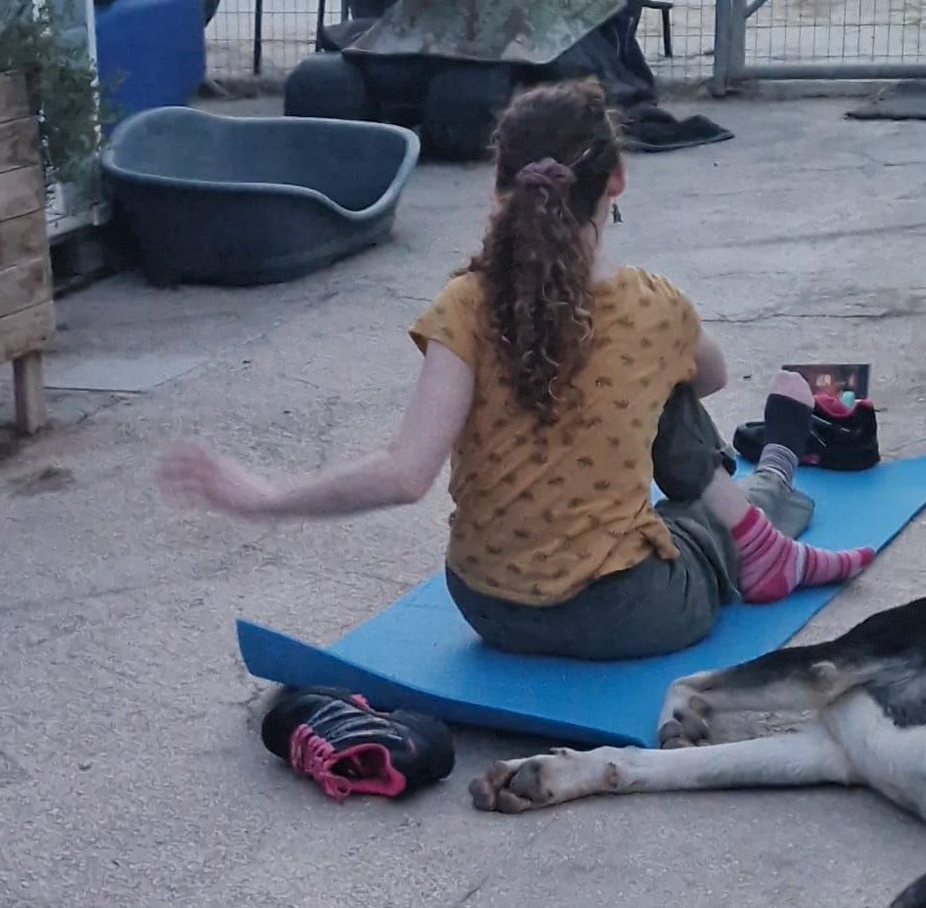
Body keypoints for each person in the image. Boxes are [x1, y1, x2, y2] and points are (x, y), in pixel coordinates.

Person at [159, 79, 872, 662]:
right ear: (616, 179)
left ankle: (764, 509)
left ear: (499, 188)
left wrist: (266, 497)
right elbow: (710, 380)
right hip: (629, 615)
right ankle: (772, 489)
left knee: (657, 394)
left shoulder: (464, 303)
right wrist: (636, 370)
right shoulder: (658, 306)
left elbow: (406, 474)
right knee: (678, 430)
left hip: (489, 607)